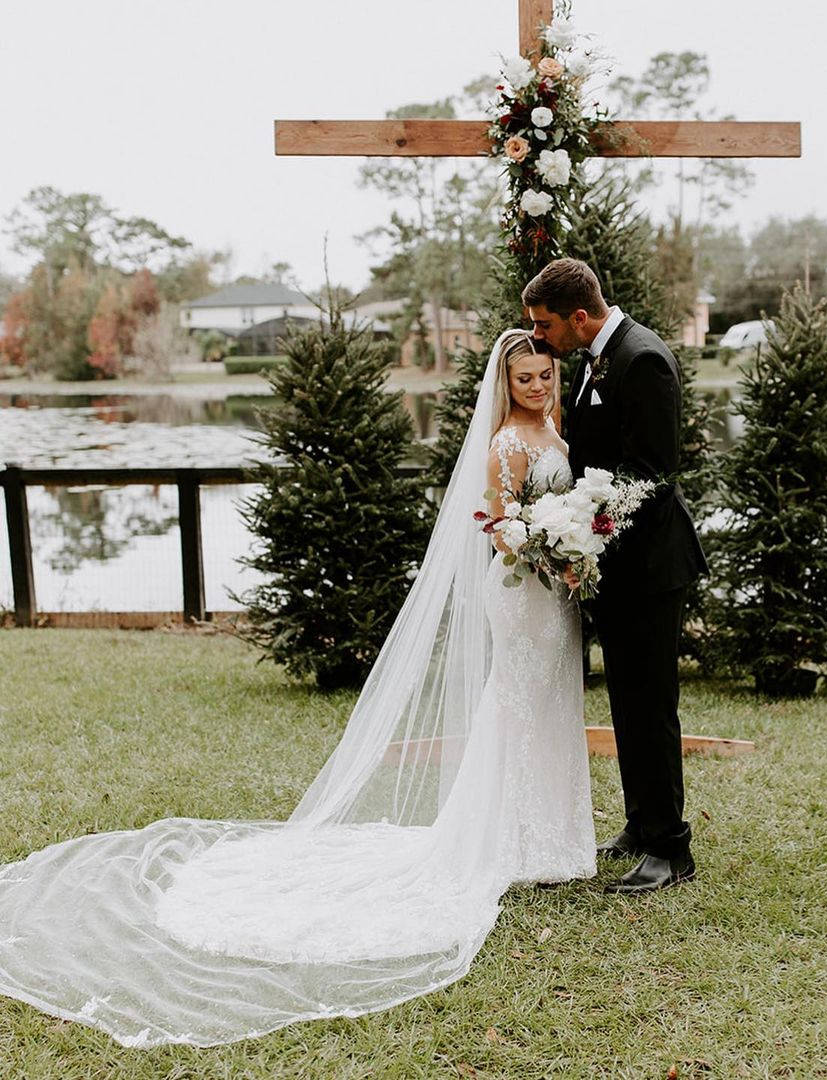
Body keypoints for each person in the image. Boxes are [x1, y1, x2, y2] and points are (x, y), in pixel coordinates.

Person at [0, 328, 594, 1048]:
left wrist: (573, 548)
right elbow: (497, 525)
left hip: (557, 596)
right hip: (522, 592)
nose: (537, 385)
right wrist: (540, 546)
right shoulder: (505, 442)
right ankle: (506, 840)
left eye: (545, 374)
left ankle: (551, 838)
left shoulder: (557, 430)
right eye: (526, 377)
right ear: (508, 383)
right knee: (513, 709)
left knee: (550, 709)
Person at [524, 258, 708, 894]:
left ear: (579, 316)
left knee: (650, 704)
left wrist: (577, 521)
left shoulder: (642, 358)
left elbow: (652, 471)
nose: (539, 337)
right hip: (613, 563)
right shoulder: (593, 359)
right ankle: (640, 827)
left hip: (652, 566)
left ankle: (670, 850)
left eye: (545, 325)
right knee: (627, 703)